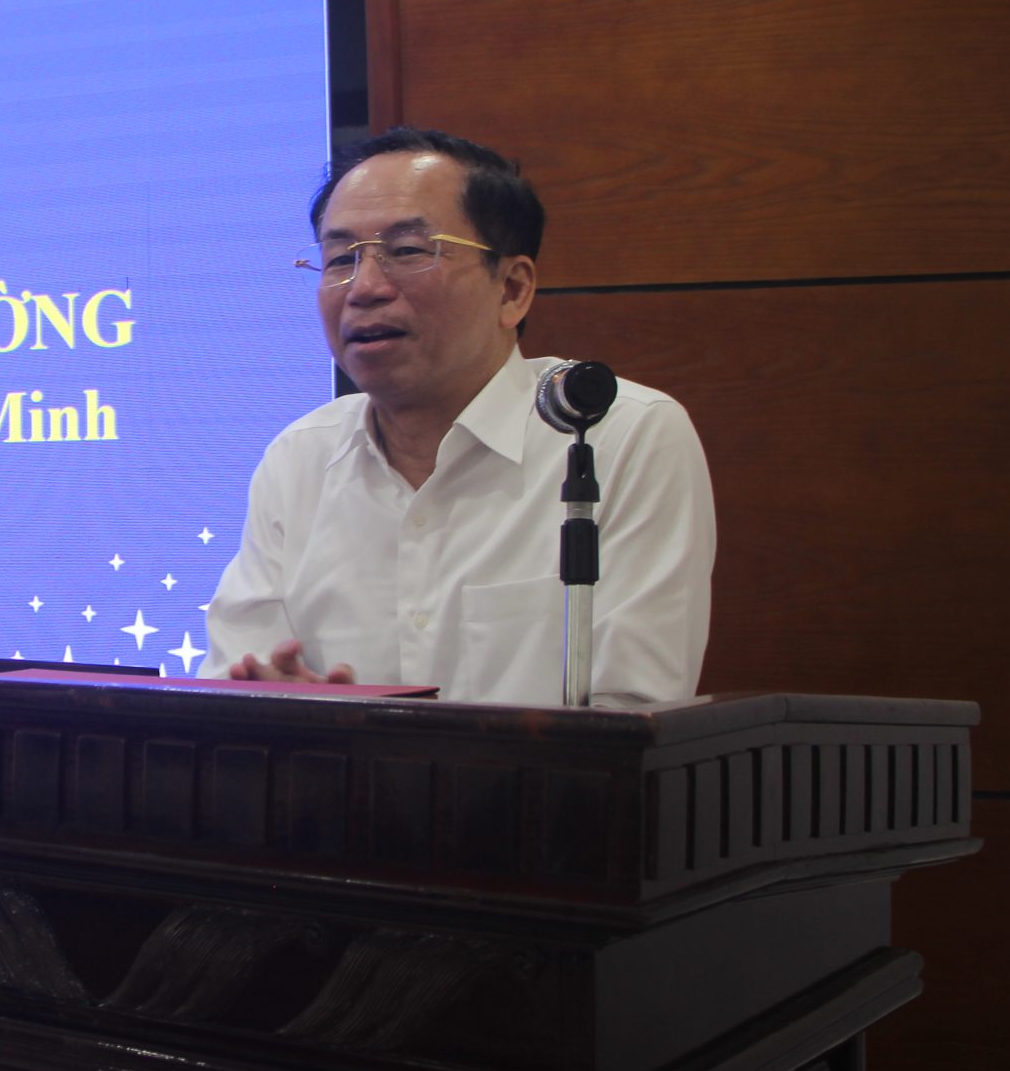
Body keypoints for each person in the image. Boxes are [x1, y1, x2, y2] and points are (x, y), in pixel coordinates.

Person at [202, 127, 714, 706]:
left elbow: (633, 716)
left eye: (407, 251)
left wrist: (361, 739)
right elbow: (231, 688)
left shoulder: (617, 436)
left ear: (512, 290)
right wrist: (282, 714)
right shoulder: (301, 457)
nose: (364, 288)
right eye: (341, 258)